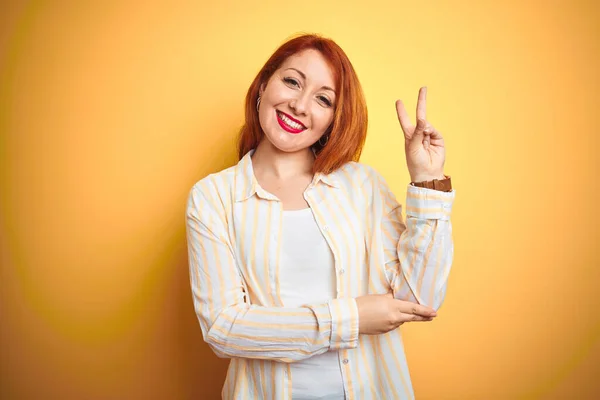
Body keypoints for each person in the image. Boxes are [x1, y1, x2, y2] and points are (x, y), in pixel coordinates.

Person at [185, 33, 455, 400]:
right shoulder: (212, 198)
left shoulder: (362, 186)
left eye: (322, 99)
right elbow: (223, 327)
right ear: (264, 84)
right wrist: (351, 318)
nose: (299, 105)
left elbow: (419, 297)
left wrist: (426, 180)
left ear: (332, 118)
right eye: (292, 81)